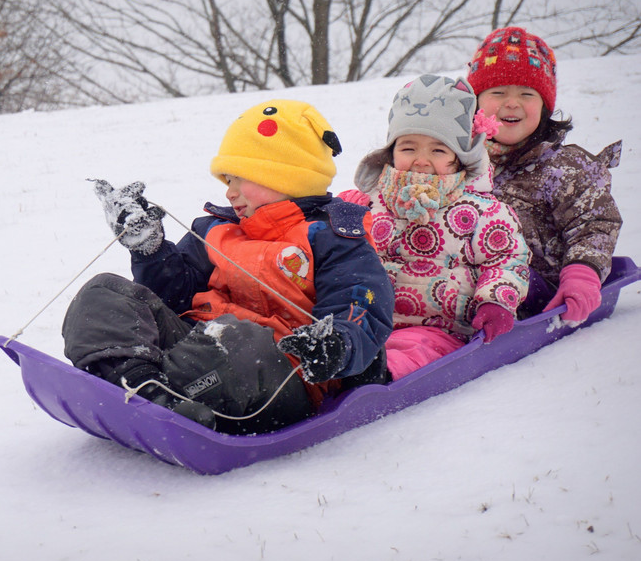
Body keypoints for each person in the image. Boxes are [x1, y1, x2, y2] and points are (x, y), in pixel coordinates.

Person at [61, 100, 394, 434]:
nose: (230, 192)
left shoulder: (333, 236)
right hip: (196, 353)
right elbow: (172, 296)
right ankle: (140, 384)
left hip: (281, 372)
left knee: (238, 340)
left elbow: (361, 307)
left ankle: (161, 394)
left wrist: (334, 345)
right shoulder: (218, 229)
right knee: (103, 291)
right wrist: (151, 251)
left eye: (239, 178)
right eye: (227, 180)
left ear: (284, 174)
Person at [342, 74, 531, 380]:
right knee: (344, 340)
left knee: (415, 350)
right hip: (367, 321)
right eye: (408, 148)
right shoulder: (367, 202)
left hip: (438, 329)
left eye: (438, 150)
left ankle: (377, 376)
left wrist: (495, 301)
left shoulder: (482, 211)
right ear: (391, 153)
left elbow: (507, 259)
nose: (421, 161)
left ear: (460, 160)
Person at [466, 26, 623, 322]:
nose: (511, 103)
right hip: (462, 284)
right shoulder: (458, 161)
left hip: (535, 291)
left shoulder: (564, 167)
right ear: (475, 104)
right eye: (498, 92)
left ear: (544, 106)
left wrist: (582, 274)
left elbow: (594, 224)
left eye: (526, 93)